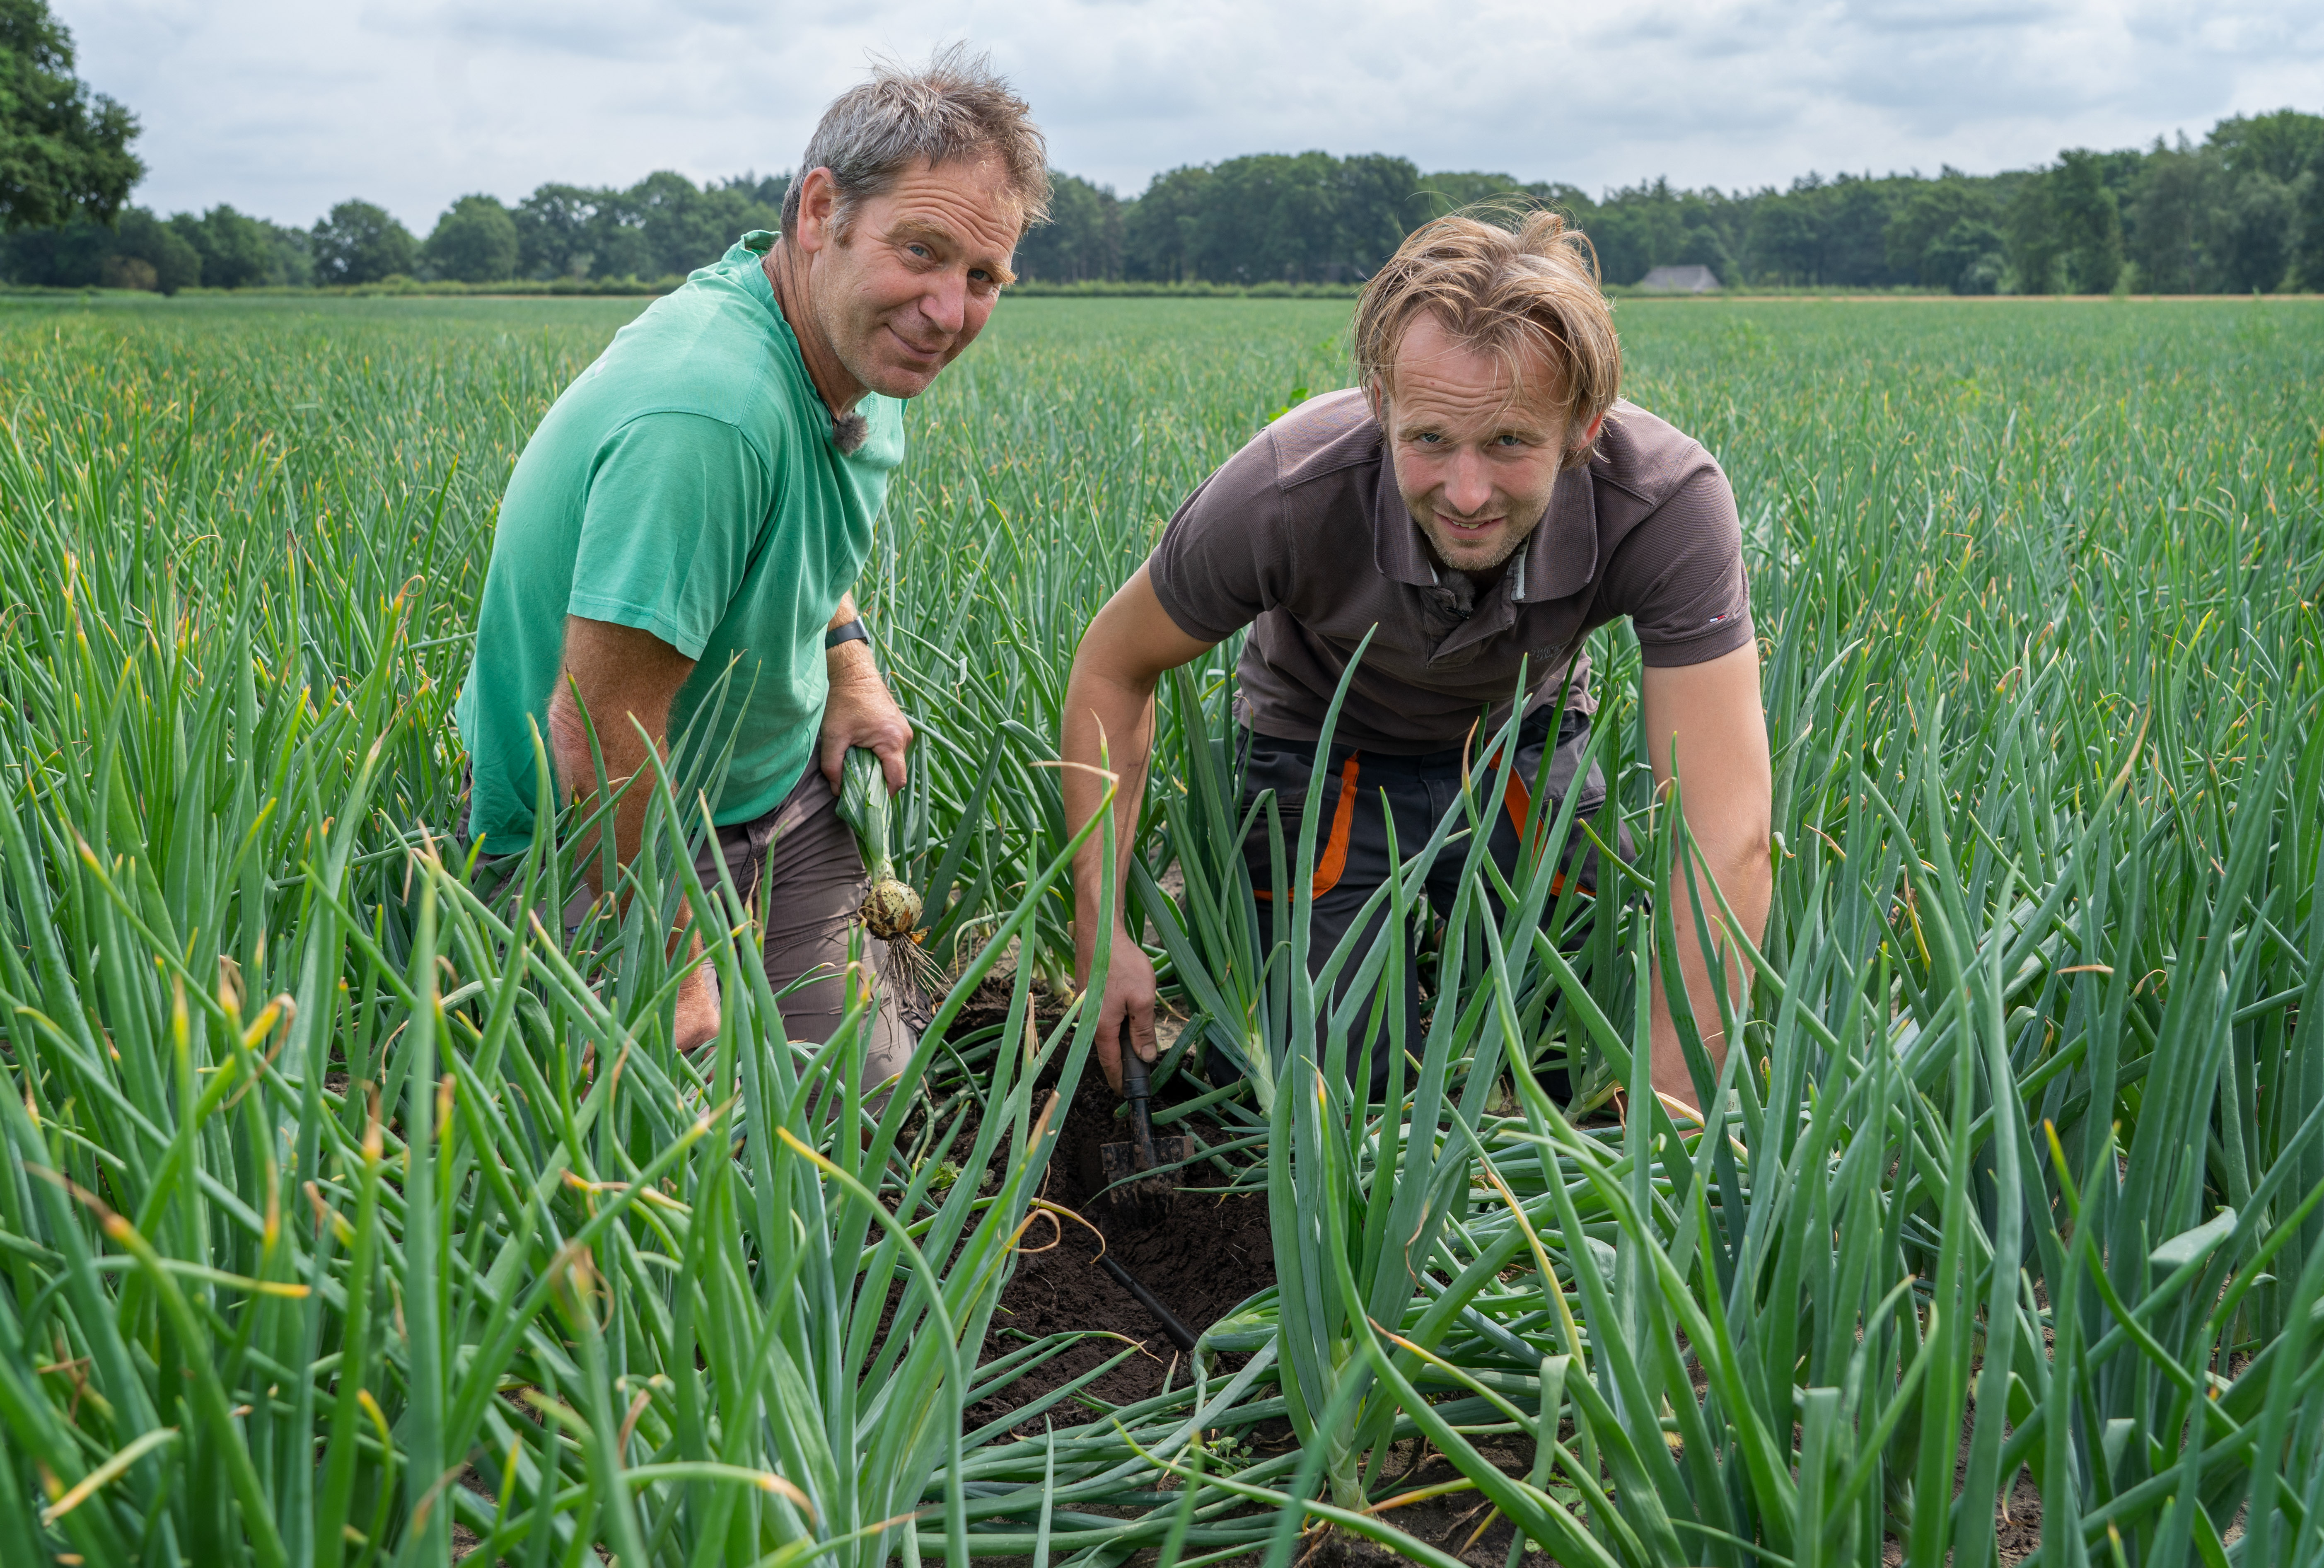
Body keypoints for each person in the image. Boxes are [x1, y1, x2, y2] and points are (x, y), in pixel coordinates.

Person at [1060, 210, 1771, 1113]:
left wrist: (1671, 1121)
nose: (1467, 494)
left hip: (1522, 736)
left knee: (1583, 1039)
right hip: (1323, 748)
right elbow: (1113, 667)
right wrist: (1102, 926)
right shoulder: (1287, 491)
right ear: (1380, 403)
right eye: (1429, 439)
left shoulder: (1664, 501)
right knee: (1322, 1091)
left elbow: (1726, 834)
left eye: (1511, 442)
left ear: (1584, 426)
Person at [454, 48, 1048, 1088]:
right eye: (924, 251)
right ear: (822, 210)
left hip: (774, 799)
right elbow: (598, 736)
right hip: (596, 831)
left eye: (984, 278)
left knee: (856, 1109)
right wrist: (675, 957)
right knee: (684, 1148)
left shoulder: (862, 346)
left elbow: (795, 525)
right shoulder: (710, 412)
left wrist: (850, 658)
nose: (950, 312)